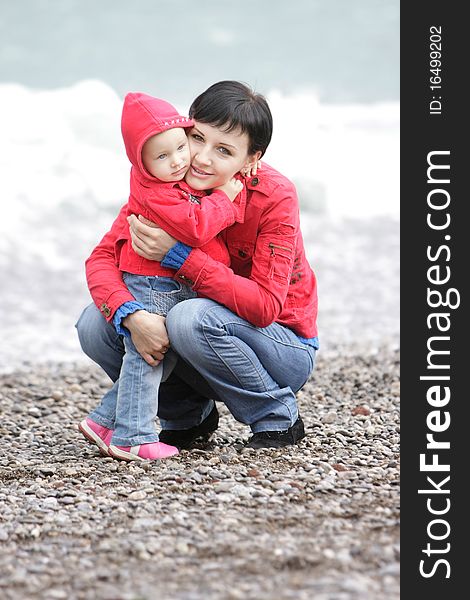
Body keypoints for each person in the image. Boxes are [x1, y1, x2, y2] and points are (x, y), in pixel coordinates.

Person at [76, 80, 319, 453]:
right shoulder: (166, 183)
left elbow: (266, 307)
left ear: (251, 159)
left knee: (189, 317)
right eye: (197, 138)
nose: (201, 158)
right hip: (197, 343)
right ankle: (187, 417)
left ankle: (276, 417)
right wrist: (131, 316)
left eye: (223, 150)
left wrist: (178, 256)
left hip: (279, 346)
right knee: (96, 323)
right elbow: (102, 259)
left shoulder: (274, 196)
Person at [79, 91, 244, 462]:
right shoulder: (157, 194)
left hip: (163, 283)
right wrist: (225, 198)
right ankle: (133, 436)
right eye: (162, 157)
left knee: (160, 356)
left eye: (181, 147)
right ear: (141, 162)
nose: (179, 161)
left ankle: (105, 421)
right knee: (148, 356)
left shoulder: (169, 183)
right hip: (155, 284)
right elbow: (196, 226)